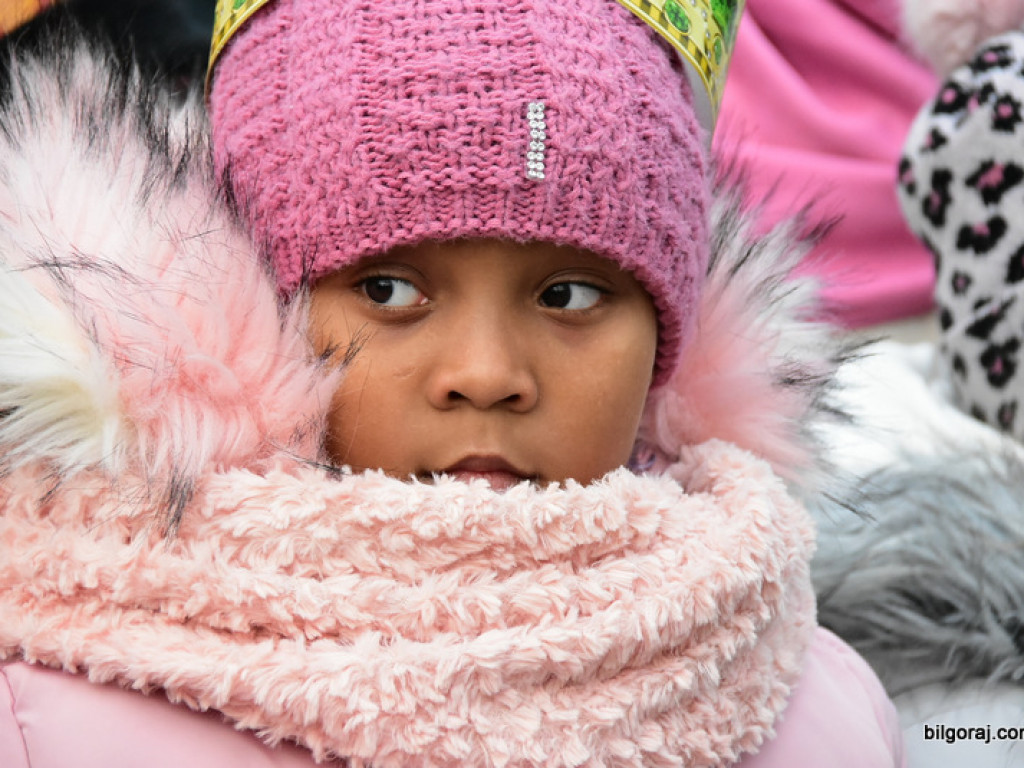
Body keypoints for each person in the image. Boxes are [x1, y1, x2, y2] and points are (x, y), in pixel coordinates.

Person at [0, 1, 902, 765]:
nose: (486, 376)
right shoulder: (56, 709)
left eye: (571, 293)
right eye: (389, 289)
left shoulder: (810, 706)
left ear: (671, 336)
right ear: (243, 308)